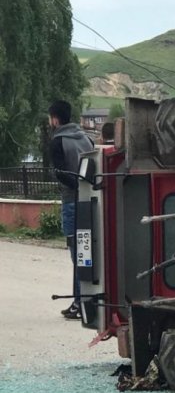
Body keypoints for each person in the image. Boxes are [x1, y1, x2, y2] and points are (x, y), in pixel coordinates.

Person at [48, 100, 94, 320]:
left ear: (55, 119)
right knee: (90, 250)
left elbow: (58, 172)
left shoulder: (57, 141)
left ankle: (79, 302)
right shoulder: (85, 137)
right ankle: (90, 298)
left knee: (77, 252)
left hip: (71, 201)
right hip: (92, 200)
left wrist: (75, 186)